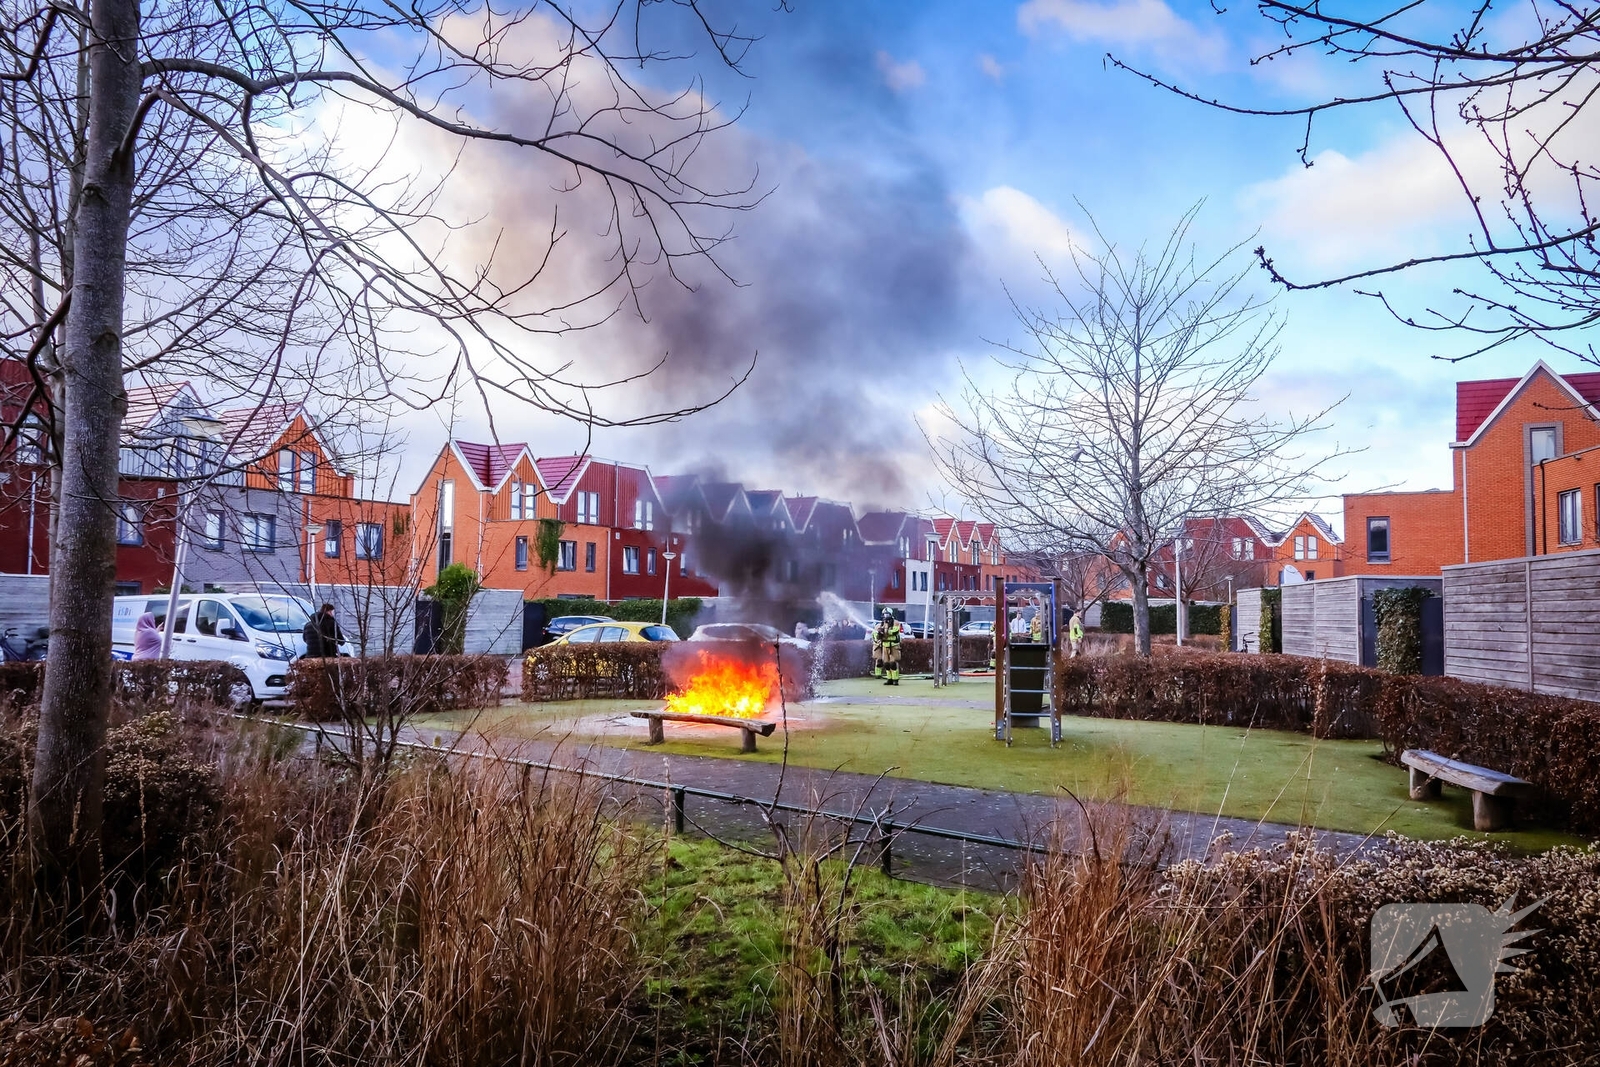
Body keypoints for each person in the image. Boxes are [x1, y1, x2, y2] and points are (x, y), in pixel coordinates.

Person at [874, 607, 904, 685]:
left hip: (894, 645)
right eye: (884, 614)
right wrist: (879, 634)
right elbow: (876, 634)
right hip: (884, 646)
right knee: (886, 663)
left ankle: (895, 680)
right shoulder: (881, 624)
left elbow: (895, 631)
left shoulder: (896, 622)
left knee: (893, 663)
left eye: (887, 614)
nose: (886, 616)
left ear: (891, 614)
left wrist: (884, 632)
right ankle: (889, 679)